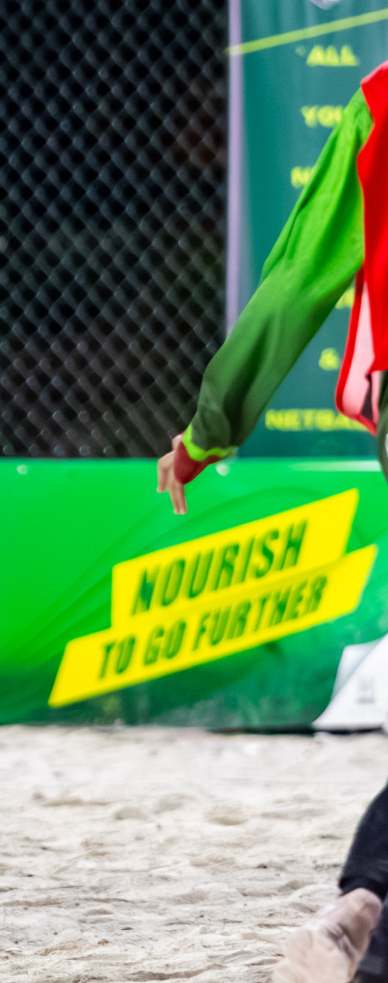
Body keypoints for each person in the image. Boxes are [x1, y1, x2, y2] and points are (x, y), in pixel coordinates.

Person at [156, 61, 388, 983]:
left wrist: (214, 426)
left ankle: (367, 905)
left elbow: (298, 278)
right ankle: (369, 905)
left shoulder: (380, 98)